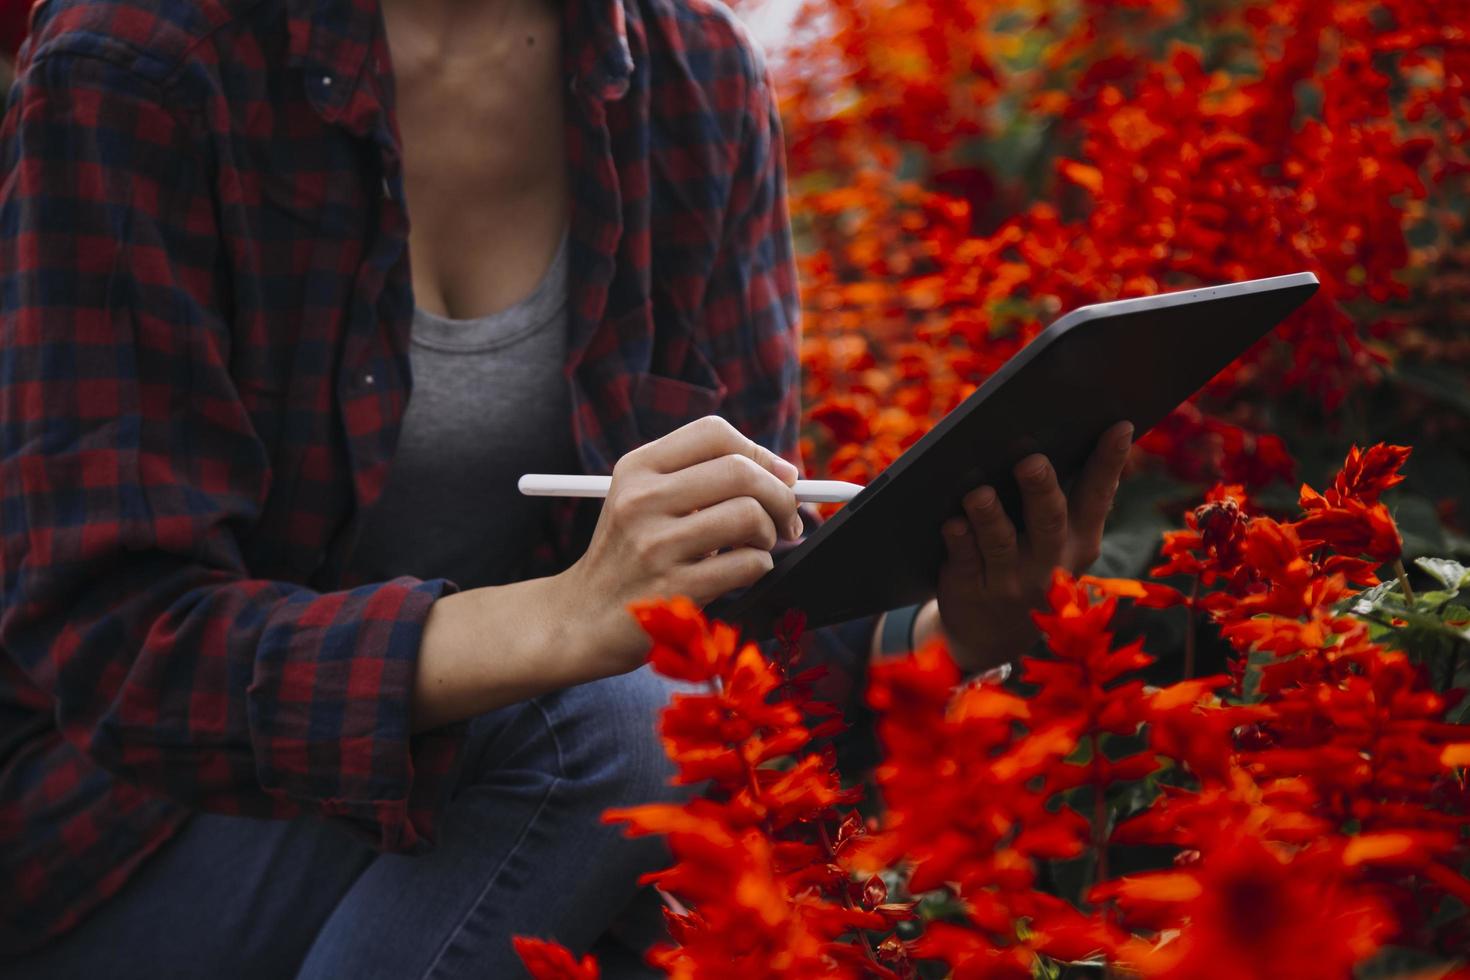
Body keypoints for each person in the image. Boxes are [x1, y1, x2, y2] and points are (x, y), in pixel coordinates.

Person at [0, 0, 1134, 974]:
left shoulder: (694, 78)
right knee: (621, 738)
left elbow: (734, 626)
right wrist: (567, 617)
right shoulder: (139, 59)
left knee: (668, 792)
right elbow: (119, 642)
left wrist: (947, 632)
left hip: (512, 812)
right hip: (132, 833)